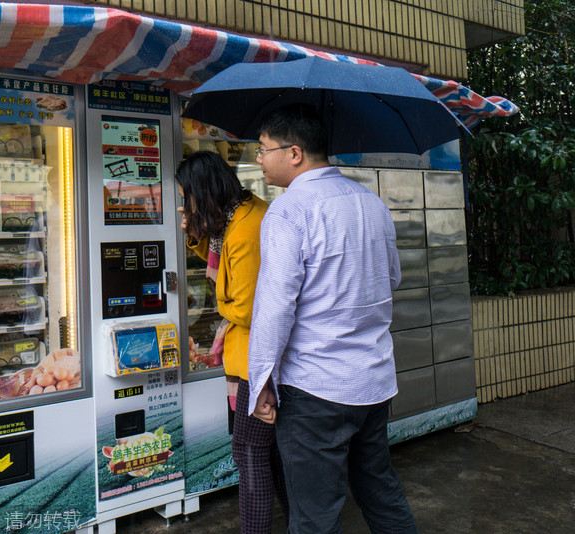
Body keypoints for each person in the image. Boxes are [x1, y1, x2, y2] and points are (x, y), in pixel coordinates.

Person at [247, 105, 418, 534]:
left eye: (264, 149)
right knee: (381, 493)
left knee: (314, 516)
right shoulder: (371, 202)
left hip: (315, 389)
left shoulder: (288, 211)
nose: (258, 159)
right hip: (373, 382)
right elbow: (391, 276)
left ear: (295, 153)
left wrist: (261, 380)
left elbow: (274, 307)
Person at [176, 151, 288, 533]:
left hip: (257, 359)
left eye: (186, 196)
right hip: (251, 355)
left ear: (203, 193)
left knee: (249, 450)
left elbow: (247, 309)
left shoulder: (244, 230)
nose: (183, 203)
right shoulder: (235, 216)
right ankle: (299, 523)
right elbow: (216, 253)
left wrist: (220, 308)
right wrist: (194, 233)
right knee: (267, 451)